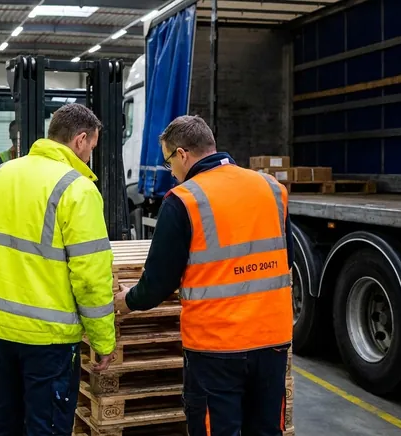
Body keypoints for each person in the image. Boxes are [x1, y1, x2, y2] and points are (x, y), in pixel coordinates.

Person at [114, 115, 294, 436]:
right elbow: (286, 259)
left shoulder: (184, 200)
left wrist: (126, 301)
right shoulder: (271, 189)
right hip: (272, 340)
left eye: (170, 162)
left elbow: (159, 282)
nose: (172, 172)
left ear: (182, 154)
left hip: (217, 347)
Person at [0, 103, 116, 435]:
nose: (91, 156)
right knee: (45, 427)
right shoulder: (77, 189)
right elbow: (91, 279)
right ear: (80, 140)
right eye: (92, 147)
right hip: (47, 342)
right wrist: (103, 342)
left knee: (0, 422)